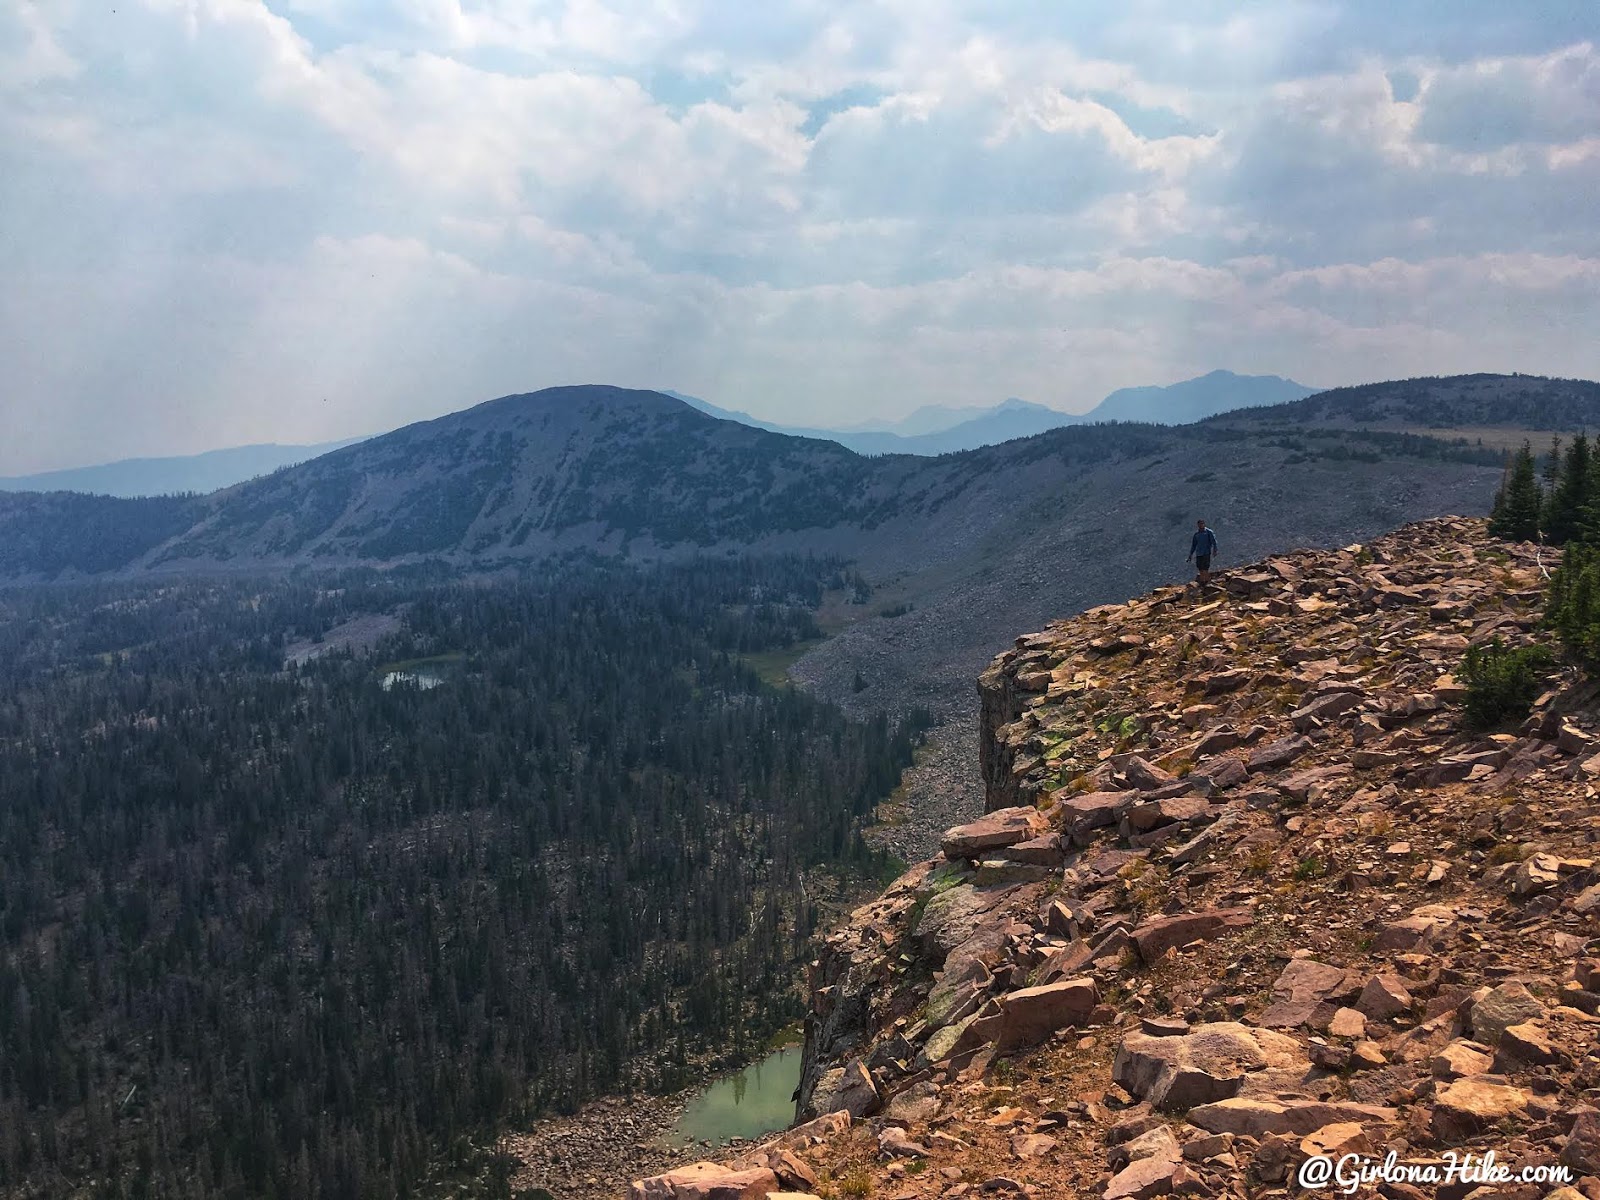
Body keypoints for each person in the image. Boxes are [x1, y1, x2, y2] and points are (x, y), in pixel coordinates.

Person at [1188, 519, 1218, 586]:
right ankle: (1202, 581)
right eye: (1199, 524)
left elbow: (1214, 541)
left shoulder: (1208, 532)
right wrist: (1190, 554)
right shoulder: (1196, 534)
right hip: (1199, 553)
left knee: (1205, 567)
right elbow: (1194, 545)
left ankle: (1206, 581)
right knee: (1200, 567)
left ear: (1204, 524)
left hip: (1206, 552)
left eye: (1201, 524)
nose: (1200, 525)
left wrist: (1215, 550)